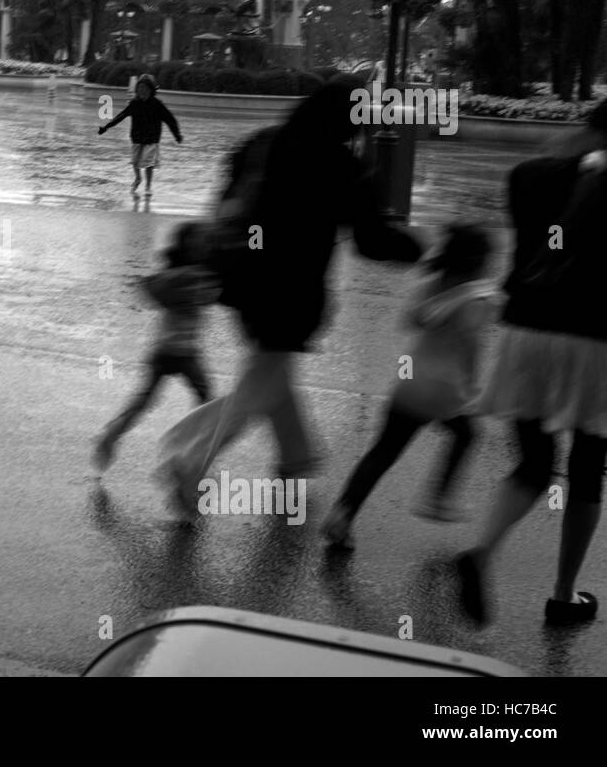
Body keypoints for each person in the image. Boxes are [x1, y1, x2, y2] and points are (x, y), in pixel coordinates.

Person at [152, 82, 423, 520]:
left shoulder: (262, 142)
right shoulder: (342, 165)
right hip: (294, 292)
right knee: (259, 384)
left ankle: (297, 456)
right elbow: (371, 241)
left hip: (241, 283)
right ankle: (189, 461)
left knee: (270, 369)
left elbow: (225, 200)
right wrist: (419, 249)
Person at [456, 104, 607, 627]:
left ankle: (481, 551)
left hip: (524, 332)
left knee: (534, 464)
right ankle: (563, 594)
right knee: (588, 469)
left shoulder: (528, 175)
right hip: (594, 342)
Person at [322, 224, 495, 548]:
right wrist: (472, 387)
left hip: (409, 382)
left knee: (382, 453)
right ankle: (439, 498)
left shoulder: (432, 283)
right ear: (478, 261)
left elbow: (410, 320)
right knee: (468, 434)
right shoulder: (478, 298)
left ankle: (341, 515)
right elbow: (472, 345)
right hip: (444, 389)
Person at [92, 221, 218, 473]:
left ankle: (110, 436)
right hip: (181, 353)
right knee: (206, 400)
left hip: (165, 351)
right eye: (201, 241)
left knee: (144, 402)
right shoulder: (191, 276)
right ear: (191, 247)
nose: (205, 245)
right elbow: (209, 294)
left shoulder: (184, 274)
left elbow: (150, 288)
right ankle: (195, 452)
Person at [98, 73, 183, 197]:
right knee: (135, 162)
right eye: (140, 89)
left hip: (151, 139)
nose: (142, 91)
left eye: (145, 89)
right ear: (137, 90)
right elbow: (121, 116)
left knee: (149, 163)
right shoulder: (134, 103)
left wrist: (177, 135)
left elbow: (170, 119)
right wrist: (106, 127)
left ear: (151, 90)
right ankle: (138, 178)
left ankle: (148, 186)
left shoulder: (157, 104)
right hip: (136, 138)